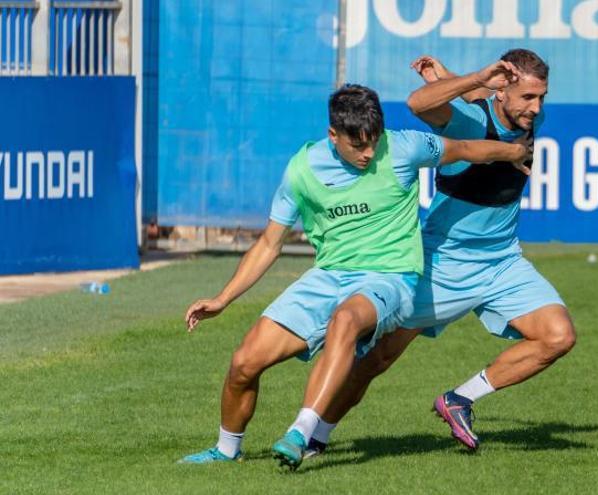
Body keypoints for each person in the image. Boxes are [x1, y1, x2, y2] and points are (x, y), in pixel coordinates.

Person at [177, 83, 531, 467]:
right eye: (357, 145)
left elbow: (463, 149)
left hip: (391, 278)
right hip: (327, 276)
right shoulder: (303, 170)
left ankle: (300, 431)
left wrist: (513, 151)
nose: (367, 153)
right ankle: (227, 452)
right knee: (245, 362)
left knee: (345, 320)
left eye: (372, 142)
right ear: (333, 135)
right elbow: (268, 245)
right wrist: (223, 299)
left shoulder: (402, 148)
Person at [304, 49, 577, 455]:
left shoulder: (525, 116)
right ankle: (315, 436)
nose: (537, 108)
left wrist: (447, 77)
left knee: (559, 336)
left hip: (502, 263)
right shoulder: (469, 122)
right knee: (378, 358)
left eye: (542, 97)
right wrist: (463, 78)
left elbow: (482, 99)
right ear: (502, 91)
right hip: (443, 263)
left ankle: (459, 399)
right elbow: (418, 105)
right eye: (528, 98)